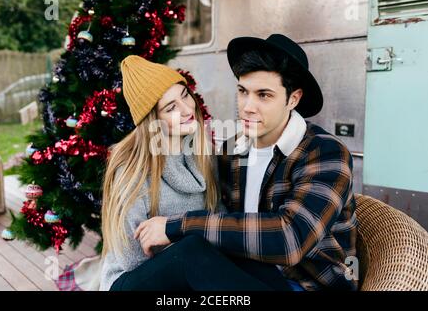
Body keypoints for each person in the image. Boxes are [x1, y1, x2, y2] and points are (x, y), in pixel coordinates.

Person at [133, 34, 359, 291]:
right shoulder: (234, 149)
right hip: (248, 273)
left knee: (189, 254)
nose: (248, 107)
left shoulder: (324, 152)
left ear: (293, 99)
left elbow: (290, 240)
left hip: (308, 285)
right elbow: (218, 213)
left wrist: (176, 226)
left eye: (264, 95)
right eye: (243, 92)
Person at [99, 55, 294, 291]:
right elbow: (132, 260)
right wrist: (186, 240)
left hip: (188, 271)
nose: (186, 109)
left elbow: (216, 220)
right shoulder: (132, 169)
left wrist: (182, 234)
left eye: (184, 95)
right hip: (133, 281)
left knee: (240, 252)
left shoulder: (201, 155)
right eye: (170, 108)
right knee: (192, 249)